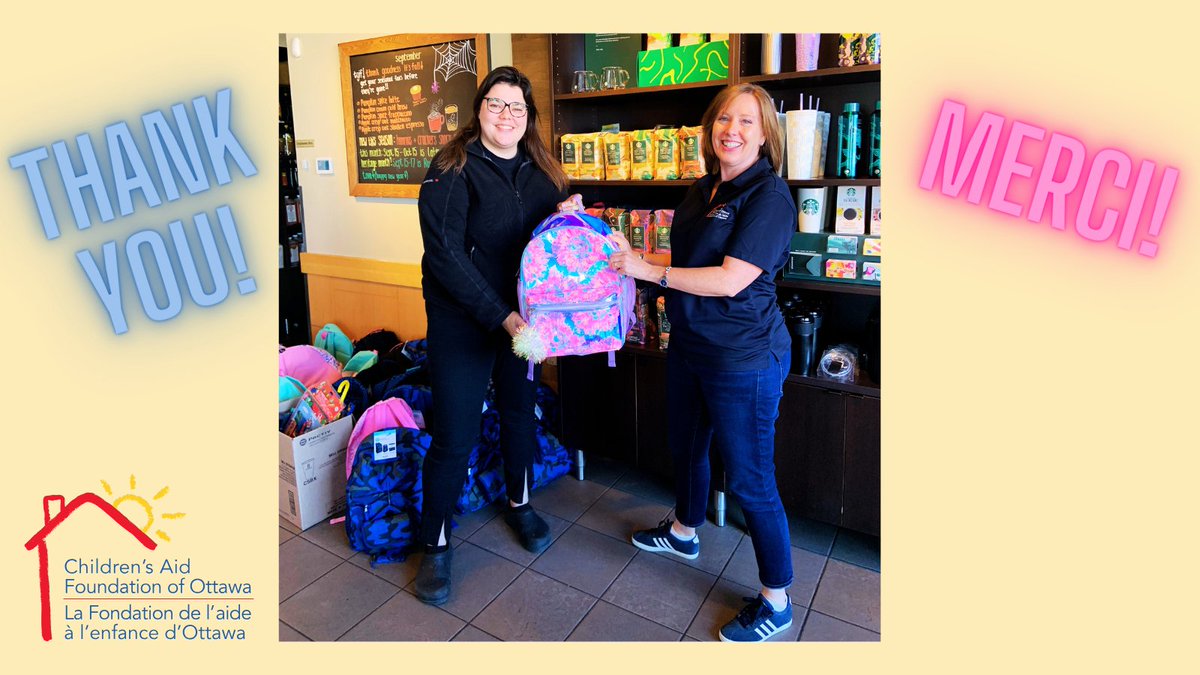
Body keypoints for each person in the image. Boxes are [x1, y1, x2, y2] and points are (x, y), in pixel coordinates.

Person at [608, 83, 798, 642]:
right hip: (691, 345)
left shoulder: (768, 196)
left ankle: (777, 598)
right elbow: (689, 257)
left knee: (750, 478)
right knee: (687, 446)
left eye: (744, 122)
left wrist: (653, 274)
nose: (730, 130)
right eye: (722, 120)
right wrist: (629, 256)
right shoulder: (705, 187)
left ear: (765, 135)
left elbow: (732, 277)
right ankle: (685, 531)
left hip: (743, 357)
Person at [414, 66, 568, 605]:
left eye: (518, 108)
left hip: (525, 318)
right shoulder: (451, 168)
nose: (507, 115)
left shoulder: (541, 169)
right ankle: (434, 545)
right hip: (465, 319)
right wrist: (503, 317)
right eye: (497, 105)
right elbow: (447, 257)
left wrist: (567, 217)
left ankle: (520, 504)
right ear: (479, 110)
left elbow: (548, 238)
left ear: (529, 118)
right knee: (456, 433)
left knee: (520, 413)